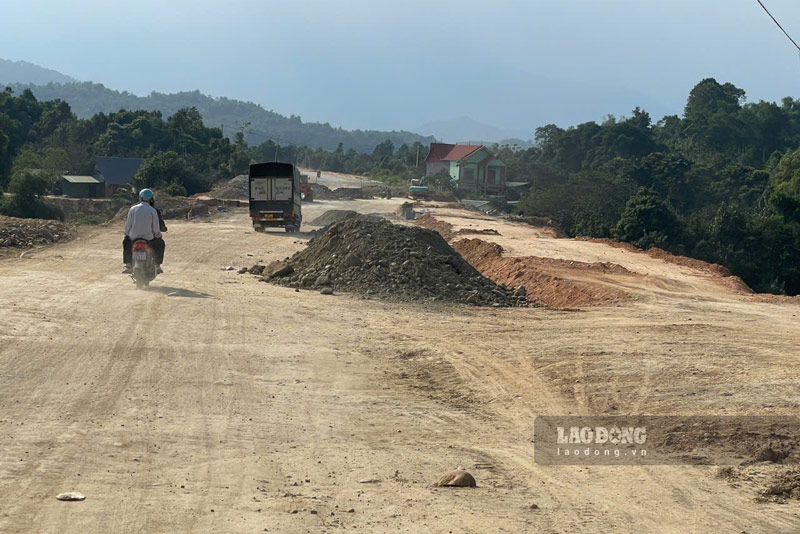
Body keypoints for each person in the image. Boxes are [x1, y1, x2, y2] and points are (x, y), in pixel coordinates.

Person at [122, 189, 166, 274]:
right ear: (151, 198)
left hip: (134, 237)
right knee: (160, 244)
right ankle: (157, 265)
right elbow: (155, 227)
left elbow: (128, 225)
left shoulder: (132, 209)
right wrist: (158, 235)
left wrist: (127, 234)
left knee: (126, 242)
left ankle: (128, 264)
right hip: (148, 238)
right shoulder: (152, 210)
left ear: (140, 197)